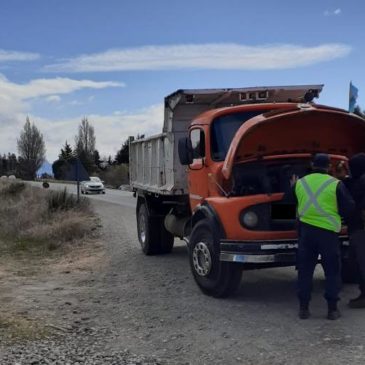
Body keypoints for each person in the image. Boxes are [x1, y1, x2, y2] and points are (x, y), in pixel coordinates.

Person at [290, 153, 354, 320]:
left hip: (306, 234)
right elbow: (349, 207)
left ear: (312, 164)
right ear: (329, 166)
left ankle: (303, 309)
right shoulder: (336, 184)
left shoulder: (300, 183)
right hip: (328, 234)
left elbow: (286, 203)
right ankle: (332, 310)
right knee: (332, 271)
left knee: (305, 271)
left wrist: (293, 188)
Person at [341, 153, 365, 308]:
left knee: (361, 262)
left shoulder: (362, 182)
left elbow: (355, 203)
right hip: (358, 227)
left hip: (360, 228)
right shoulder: (359, 180)